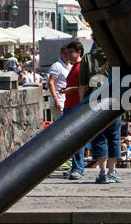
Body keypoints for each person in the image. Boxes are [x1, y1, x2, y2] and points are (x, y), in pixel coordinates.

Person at [61, 41, 86, 179]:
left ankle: (78, 168)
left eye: (71, 52)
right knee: (71, 139)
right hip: (69, 105)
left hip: (75, 106)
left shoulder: (81, 67)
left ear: (79, 52)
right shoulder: (74, 66)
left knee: (77, 138)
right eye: (67, 52)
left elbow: (85, 86)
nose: (68, 55)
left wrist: (70, 90)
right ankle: (76, 166)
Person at [87, 117, 122, 183]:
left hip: (98, 112)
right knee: (114, 139)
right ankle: (112, 172)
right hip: (115, 111)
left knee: (100, 139)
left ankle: (103, 173)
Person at [48, 44, 70, 120]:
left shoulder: (69, 66)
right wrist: (56, 100)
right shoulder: (57, 65)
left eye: (70, 53)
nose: (69, 56)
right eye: (67, 54)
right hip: (59, 101)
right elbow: (50, 82)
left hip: (65, 101)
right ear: (62, 54)